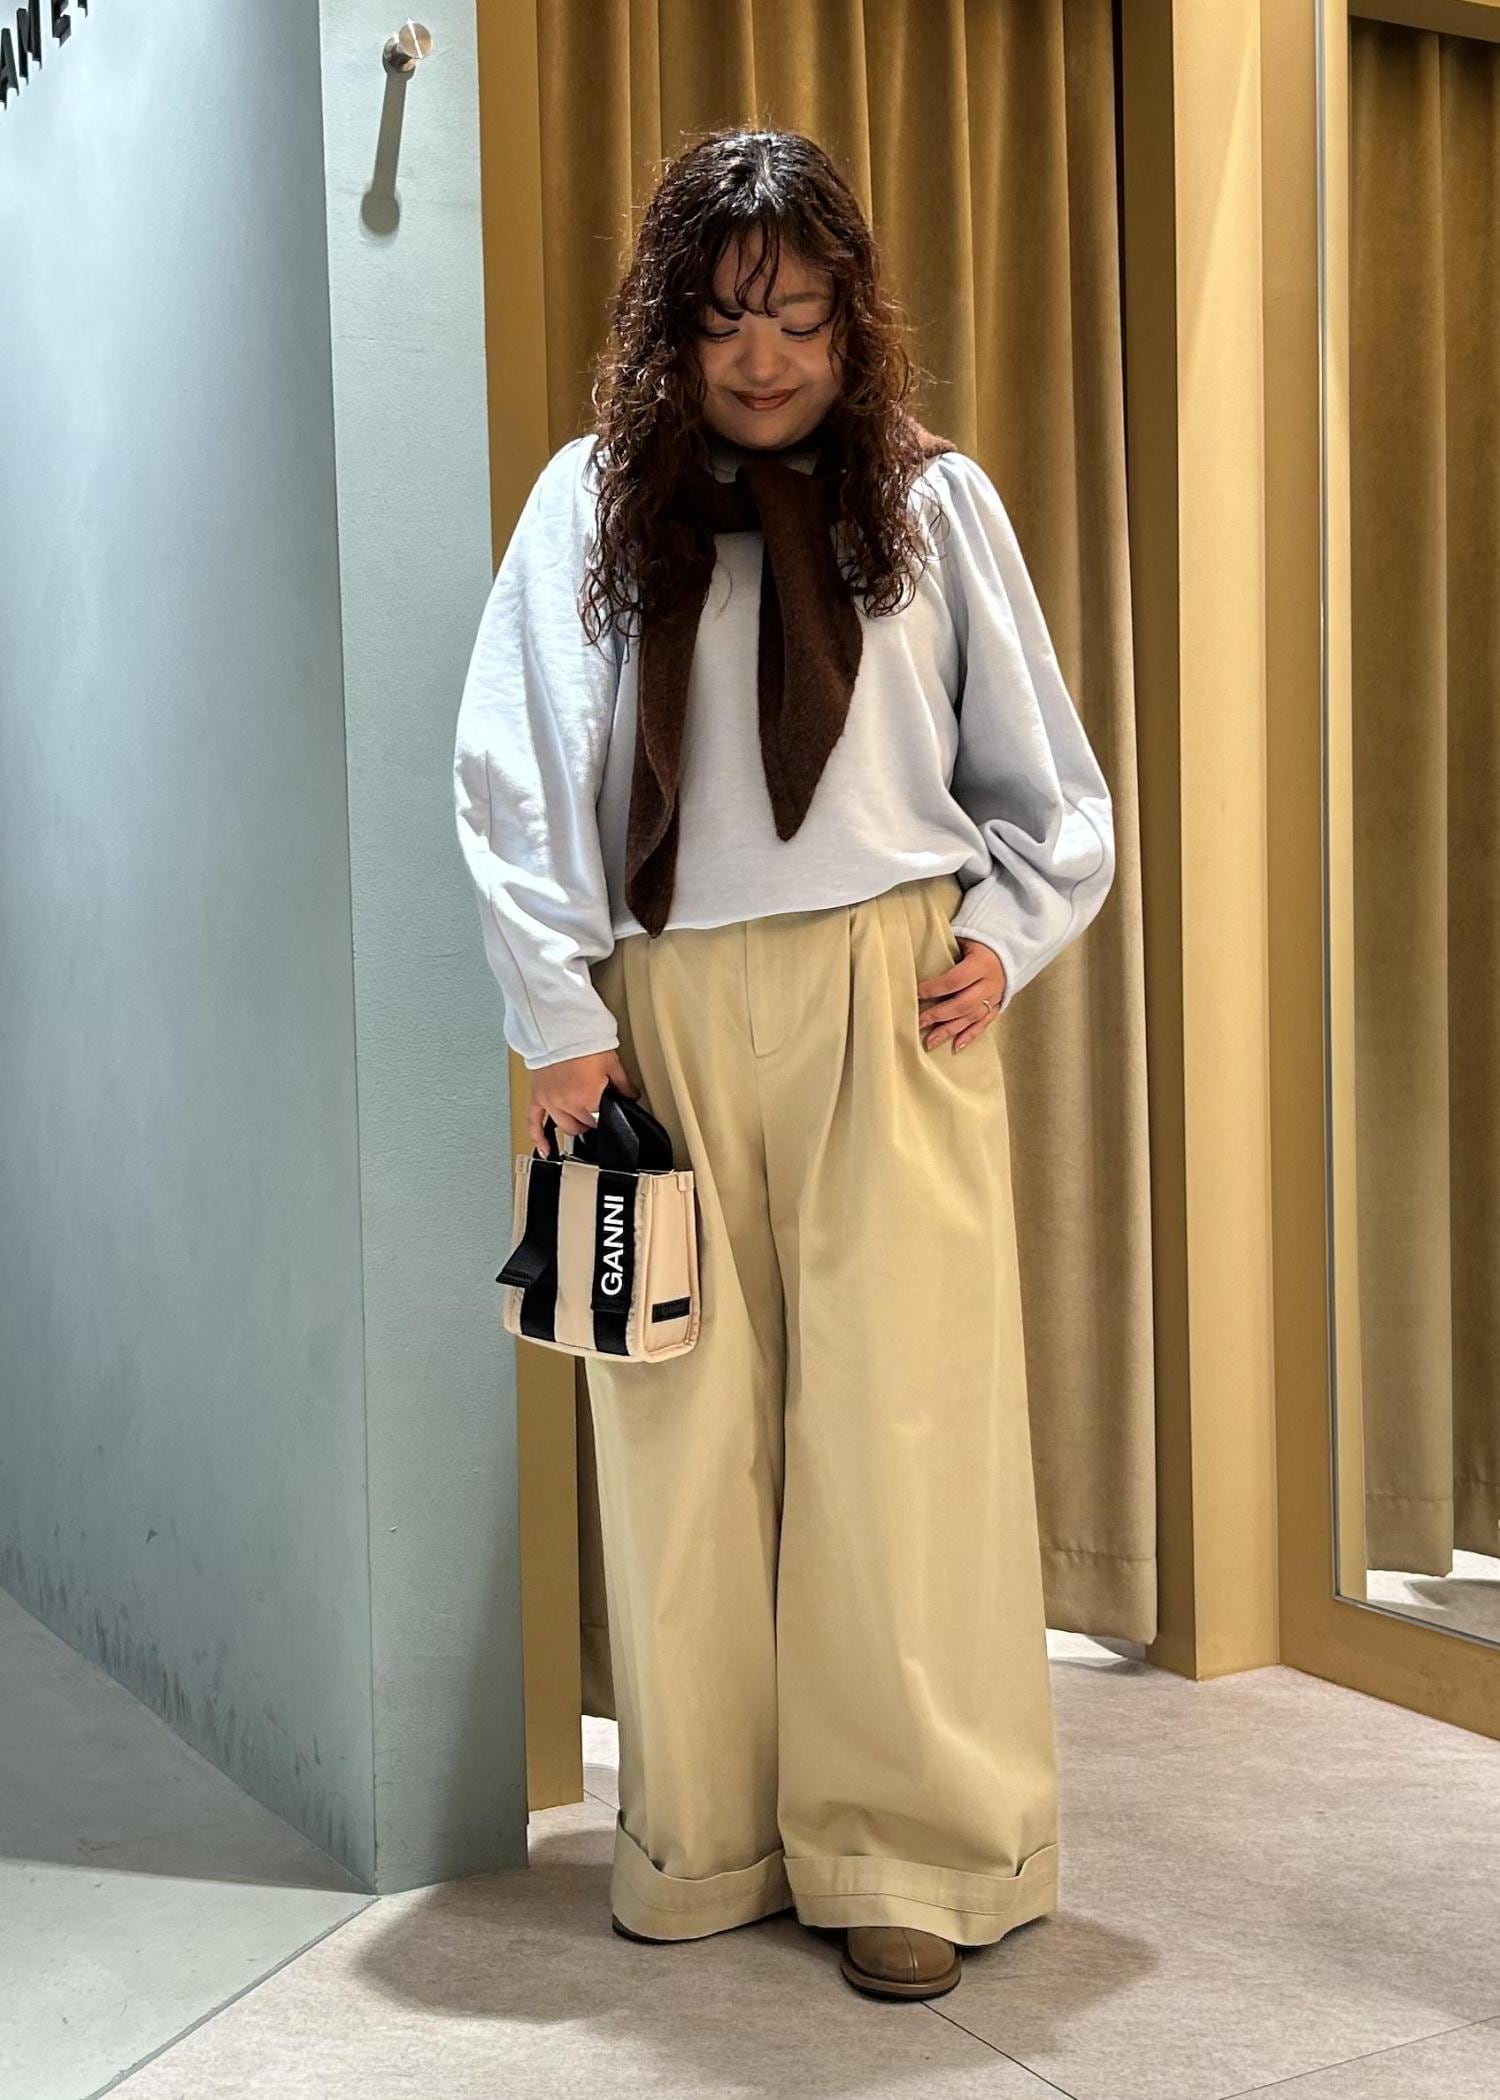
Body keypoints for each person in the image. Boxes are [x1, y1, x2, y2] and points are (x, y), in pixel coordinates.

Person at [452, 125, 1114, 2002]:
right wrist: (559, 1023)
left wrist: (1001, 941)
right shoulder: (593, 504)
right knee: (679, 1434)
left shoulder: (932, 502)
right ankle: (708, 1839)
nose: (764, 359)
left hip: (884, 999)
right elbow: (511, 772)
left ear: (853, 320)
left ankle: (912, 1848)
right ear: (671, 323)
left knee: (907, 1429)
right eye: (728, 319)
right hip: (653, 1017)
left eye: (803, 318)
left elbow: (1047, 785)